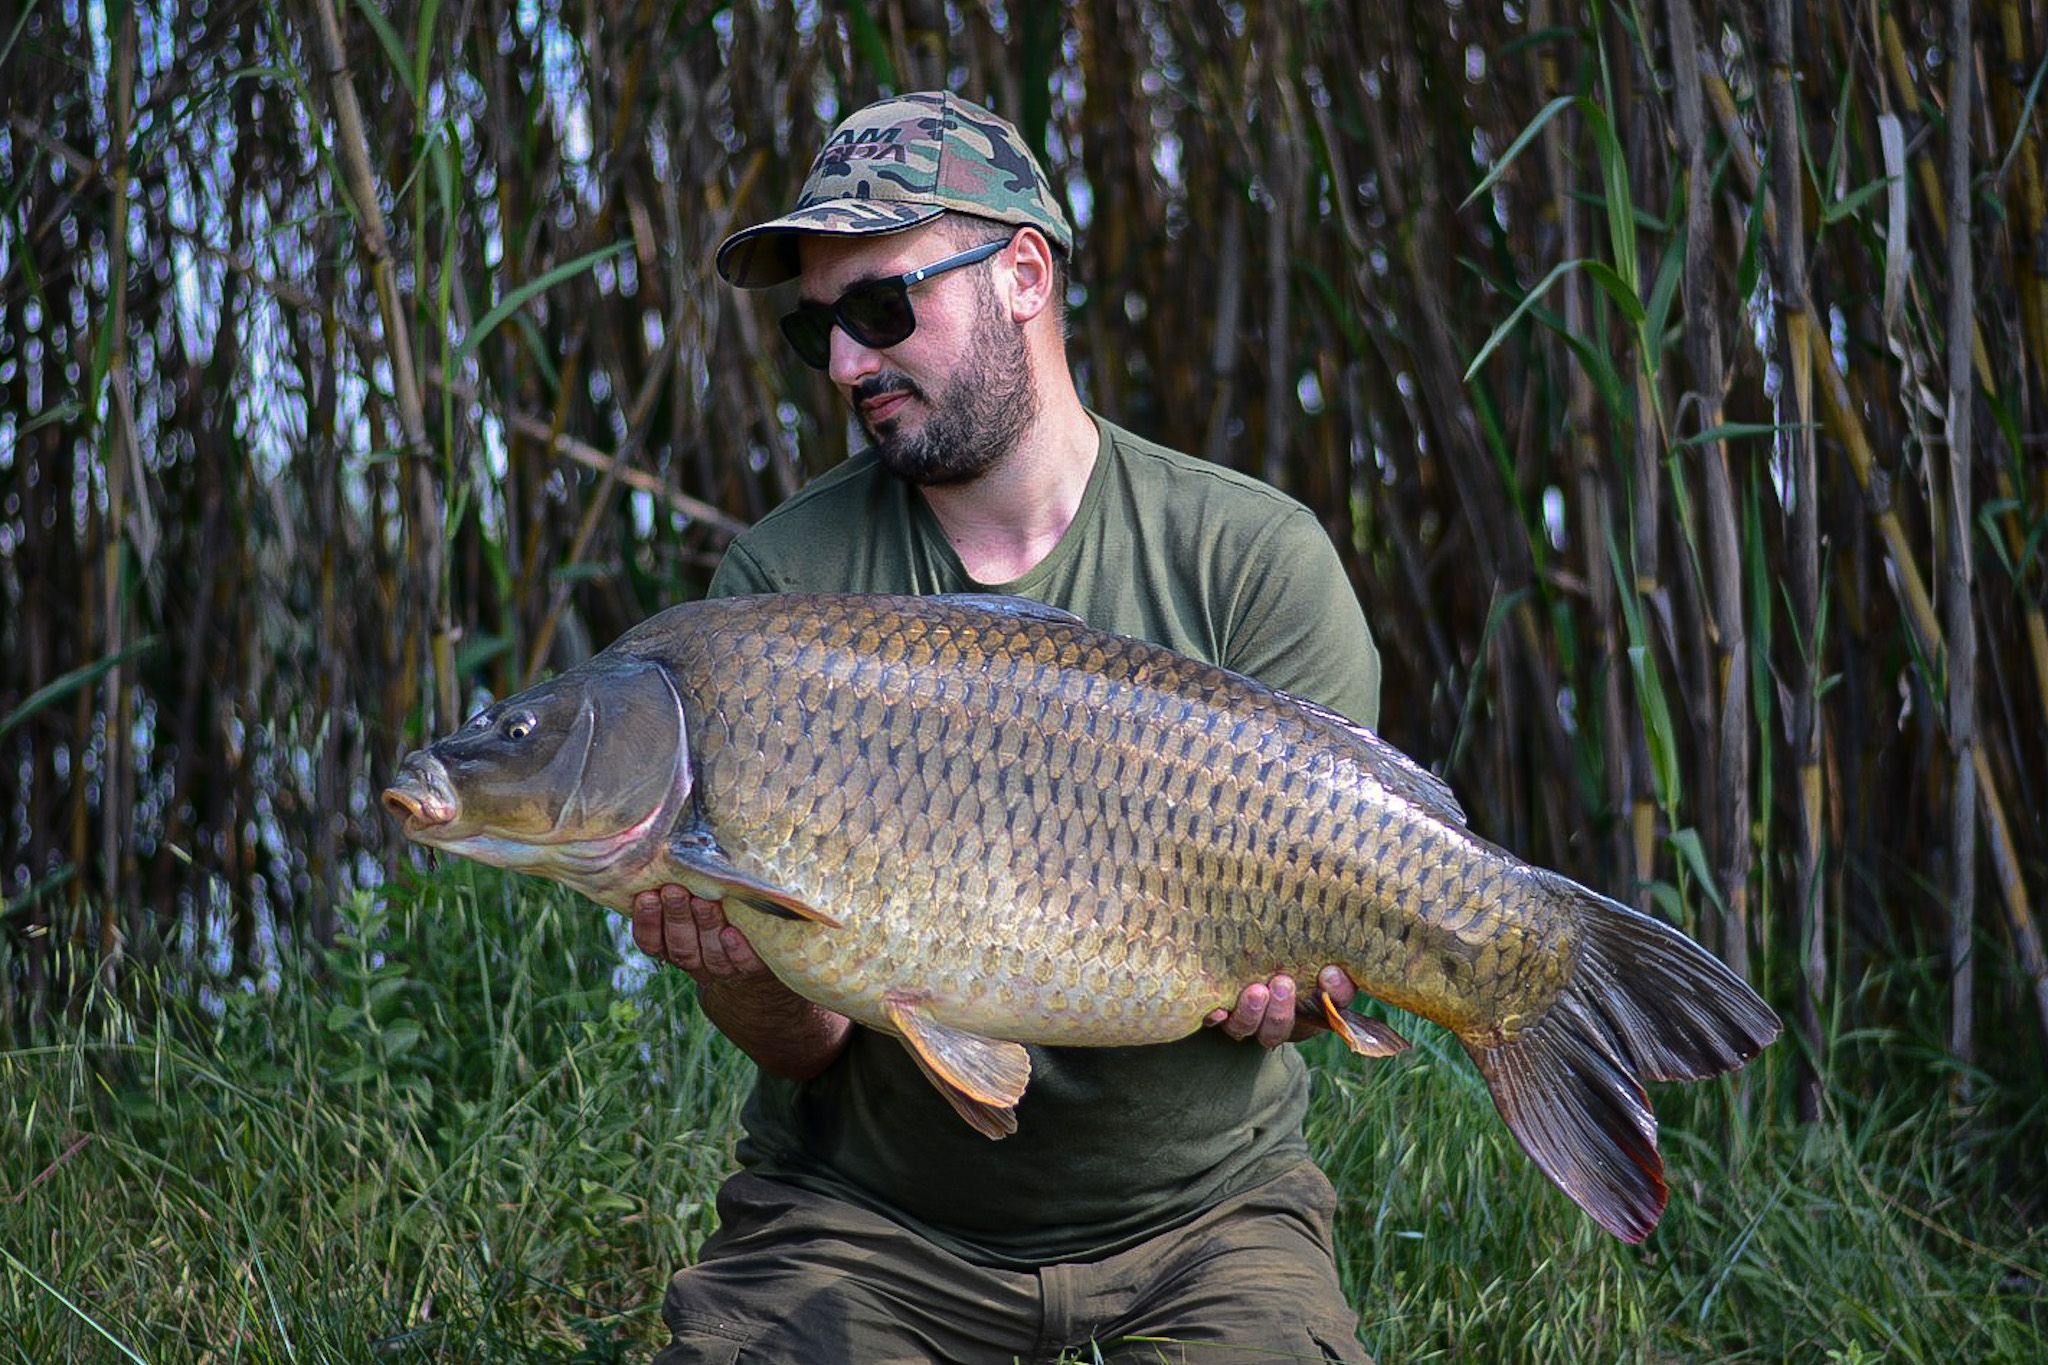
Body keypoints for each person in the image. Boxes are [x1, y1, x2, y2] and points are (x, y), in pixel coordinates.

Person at [632, 90, 1383, 1365]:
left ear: (1022, 274)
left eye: (881, 309)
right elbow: (808, 1045)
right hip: (867, 1226)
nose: (845, 364)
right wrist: (734, 965)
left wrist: (1310, 992)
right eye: (817, 328)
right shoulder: (780, 595)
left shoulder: (1252, 560)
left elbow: (1335, 953)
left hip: (1205, 1221)